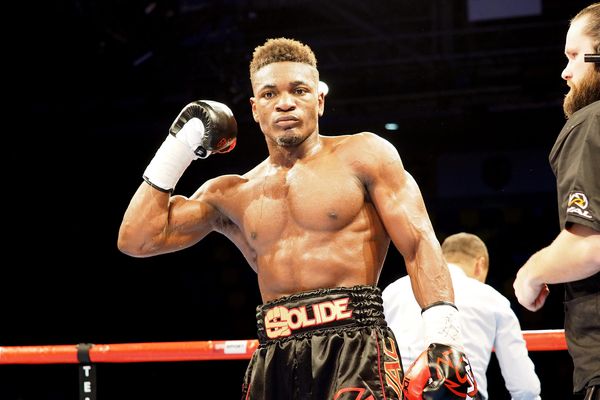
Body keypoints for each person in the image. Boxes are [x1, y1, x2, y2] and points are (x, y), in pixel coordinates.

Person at [118, 37, 478, 399]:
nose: (285, 102)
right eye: (270, 94)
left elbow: (418, 244)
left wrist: (443, 337)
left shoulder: (365, 155)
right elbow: (137, 240)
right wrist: (179, 147)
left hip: (355, 345)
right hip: (275, 354)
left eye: (299, 90)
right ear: (256, 109)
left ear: (319, 101)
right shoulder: (230, 193)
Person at [513, 3, 600, 400]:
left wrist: (530, 274)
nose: (566, 72)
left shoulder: (591, 120)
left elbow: (589, 245)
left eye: (574, 55)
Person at [383, 232, 541, 400]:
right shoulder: (492, 298)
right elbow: (525, 387)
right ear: (480, 265)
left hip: (396, 394)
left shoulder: (392, 291)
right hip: (462, 395)